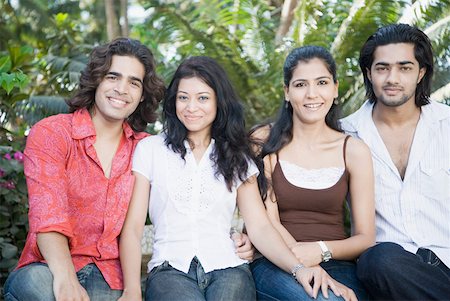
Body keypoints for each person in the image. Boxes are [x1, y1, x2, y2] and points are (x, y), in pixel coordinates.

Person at [118, 56, 355, 301]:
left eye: (203, 98)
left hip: (229, 267)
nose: (191, 107)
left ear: (219, 102)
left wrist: (299, 269)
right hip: (170, 269)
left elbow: (260, 226)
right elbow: (134, 228)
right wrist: (132, 289)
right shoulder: (152, 149)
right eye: (183, 97)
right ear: (173, 101)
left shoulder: (237, 154)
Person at [3, 38, 166, 301]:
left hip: (112, 277)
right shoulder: (53, 132)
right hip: (50, 268)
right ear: (97, 80)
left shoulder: (146, 149)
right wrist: (66, 280)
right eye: (113, 76)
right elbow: (48, 216)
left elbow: (197, 171)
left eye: (134, 82)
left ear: (142, 94)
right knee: (36, 285)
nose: (122, 89)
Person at [250, 46, 375, 301]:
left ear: (335, 88)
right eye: (300, 85)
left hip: (338, 264)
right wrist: (307, 267)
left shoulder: (353, 150)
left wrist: (320, 251)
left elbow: (365, 238)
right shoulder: (263, 141)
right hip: (275, 262)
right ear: (286, 91)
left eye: (321, 82)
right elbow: (267, 222)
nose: (312, 94)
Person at [340, 23, 450, 300]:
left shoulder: (447, 125)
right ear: (369, 73)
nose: (392, 78)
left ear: (420, 72)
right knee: (379, 259)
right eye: (382, 68)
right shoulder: (343, 135)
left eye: (404, 67)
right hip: (391, 270)